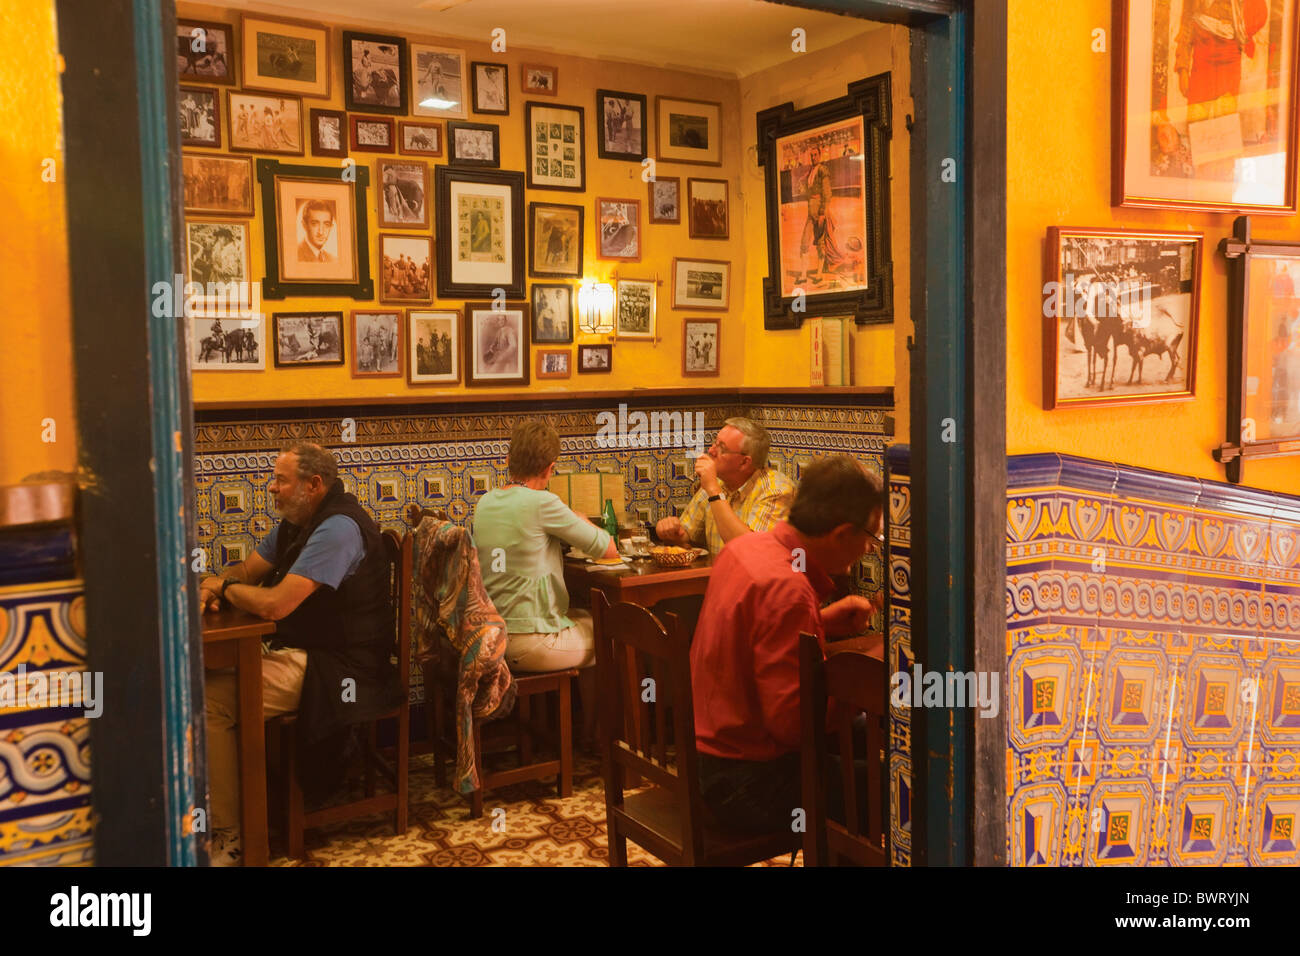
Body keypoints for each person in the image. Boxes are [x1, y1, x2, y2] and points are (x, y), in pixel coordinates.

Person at [198, 443, 398, 865]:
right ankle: (246, 805)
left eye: (280, 481)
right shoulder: (294, 523)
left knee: (209, 702)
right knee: (208, 682)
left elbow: (275, 606)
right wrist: (215, 583)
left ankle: (234, 837)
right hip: (310, 653)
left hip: (345, 672)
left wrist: (224, 588)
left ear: (313, 485)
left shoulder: (338, 528)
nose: (271, 488)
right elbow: (247, 571)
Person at [691, 454, 886, 832]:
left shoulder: (747, 550)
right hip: (745, 784)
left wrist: (822, 622)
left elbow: (751, 635)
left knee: (864, 739)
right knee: (900, 789)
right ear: (842, 533)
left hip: (706, 756)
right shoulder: (788, 588)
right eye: (870, 536)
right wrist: (866, 678)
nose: (869, 549)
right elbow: (793, 727)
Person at [471, 419, 620, 748]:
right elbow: (608, 548)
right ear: (551, 467)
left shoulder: (486, 502)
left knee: (586, 617)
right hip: (528, 644)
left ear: (509, 460)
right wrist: (578, 518)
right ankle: (598, 737)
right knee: (613, 633)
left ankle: (578, 732)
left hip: (492, 636)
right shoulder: (544, 503)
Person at [656, 417, 794, 558]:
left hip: (756, 578)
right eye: (714, 443)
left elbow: (750, 550)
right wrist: (671, 532)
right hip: (720, 575)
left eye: (721, 448)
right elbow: (686, 535)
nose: (711, 450)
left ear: (744, 462)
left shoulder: (777, 491)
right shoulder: (717, 482)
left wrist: (714, 490)